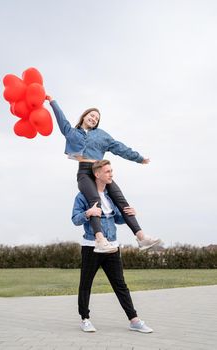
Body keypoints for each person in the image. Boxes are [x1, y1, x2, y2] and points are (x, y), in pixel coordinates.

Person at [46, 96, 160, 252]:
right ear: (84, 116)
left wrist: (139, 159)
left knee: (121, 201)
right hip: (85, 172)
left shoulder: (101, 135)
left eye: (96, 118)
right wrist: (52, 102)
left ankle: (142, 238)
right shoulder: (72, 133)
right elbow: (61, 119)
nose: (93, 119)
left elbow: (119, 147)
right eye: (91, 115)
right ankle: (100, 240)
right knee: (94, 201)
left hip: (100, 170)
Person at [72, 159, 153, 333]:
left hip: (112, 247)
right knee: (86, 284)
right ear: (97, 174)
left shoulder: (110, 196)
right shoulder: (83, 196)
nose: (111, 174)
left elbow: (116, 219)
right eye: (108, 171)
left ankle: (134, 320)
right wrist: (88, 213)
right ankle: (85, 319)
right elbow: (75, 219)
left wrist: (130, 214)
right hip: (91, 246)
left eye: (111, 171)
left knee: (120, 285)